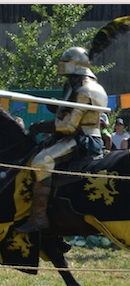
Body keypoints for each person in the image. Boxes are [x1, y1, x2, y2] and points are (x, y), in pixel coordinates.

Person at [16, 47, 108, 233]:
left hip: (83, 139)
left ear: (75, 65)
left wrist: (41, 126)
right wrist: (55, 107)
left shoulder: (84, 89)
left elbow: (68, 126)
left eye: (66, 62)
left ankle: (39, 217)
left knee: (41, 161)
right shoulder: (85, 86)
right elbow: (71, 115)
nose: (62, 66)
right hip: (83, 135)